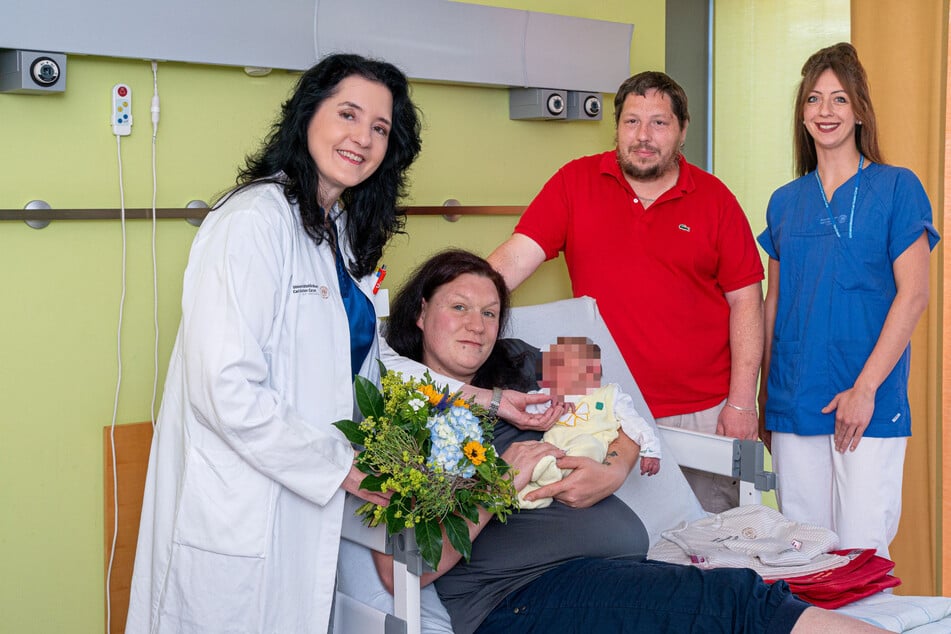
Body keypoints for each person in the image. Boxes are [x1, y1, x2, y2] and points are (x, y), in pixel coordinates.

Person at [375, 249, 888, 634]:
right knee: (736, 603)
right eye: (459, 307)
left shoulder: (518, 361)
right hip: (520, 595)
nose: (477, 325)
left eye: (489, 313)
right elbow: (402, 569)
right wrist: (500, 480)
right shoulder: (408, 416)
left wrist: (615, 467)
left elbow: (613, 411)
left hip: (611, 572)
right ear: (420, 314)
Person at [125, 53, 422, 633]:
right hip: (239, 510)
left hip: (294, 510)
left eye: (380, 128)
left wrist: (482, 400)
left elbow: (361, 357)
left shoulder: (334, 228)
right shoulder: (253, 220)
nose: (362, 138)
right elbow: (225, 387)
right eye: (348, 114)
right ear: (308, 115)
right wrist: (342, 468)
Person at [486, 71, 764, 513]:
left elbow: (747, 302)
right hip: (606, 412)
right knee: (629, 549)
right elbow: (513, 261)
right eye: (632, 122)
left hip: (703, 414)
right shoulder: (574, 183)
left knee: (709, 547)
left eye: (659, 123)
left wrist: (741, 402)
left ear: (682, 130)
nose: (643, 137)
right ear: (616, 128)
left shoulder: (715, 201)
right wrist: (455, 304)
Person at [757, 42, 939, 559]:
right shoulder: (785, 201)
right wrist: (767, 397)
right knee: (800, 555)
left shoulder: (898, 188)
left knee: (862, 556)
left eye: (838, 99)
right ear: (803, 112)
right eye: (814, 100)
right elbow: (775, 306)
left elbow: (914, 295)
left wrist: (864, 389)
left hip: (869, 403)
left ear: (859, 110)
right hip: (796, 400)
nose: (825, 111)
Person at [519, 335, 661, 509]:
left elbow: (634, 422)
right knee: (537, 453)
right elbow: (525, 409)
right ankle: (530, 491)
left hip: (589, 446)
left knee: (587, 445)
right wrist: (549, 401)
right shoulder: (550, 393)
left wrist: (650, 450)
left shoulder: (610, 395)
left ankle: (549, 480)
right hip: (554, 443)